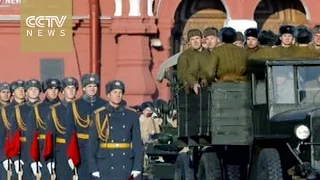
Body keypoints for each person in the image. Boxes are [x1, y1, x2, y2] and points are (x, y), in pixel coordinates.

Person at [88, 80, 143, 179]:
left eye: (120, 92)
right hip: (105, 163)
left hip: (125, 162)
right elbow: (92, 144)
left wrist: (137, 167)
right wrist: (94, 168)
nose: (118, 95)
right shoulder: (98, 115)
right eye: (115, 92)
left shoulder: (132, 115)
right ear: (108, 95)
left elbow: (137, 143)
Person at [65, 73, 107, 180]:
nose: (92, 89)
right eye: (89, 86)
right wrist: (70, 154)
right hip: (82, 148)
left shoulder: (104, 104)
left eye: (94, 86)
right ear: (83, 88)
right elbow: (70, 131)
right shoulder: (74, 104)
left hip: (100, 148)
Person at [27, 78, 61, 179]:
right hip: (43, 152)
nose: (54, 91)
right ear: (45, 91)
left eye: (56, 88)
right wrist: (32, 160)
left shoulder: (65, 107)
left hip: (61, 152)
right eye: (51, 89)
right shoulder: (37, 108)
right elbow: (30, 135)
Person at [9, 79, 42, 180]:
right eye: (30, 89)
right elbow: (12, 135)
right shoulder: (18, 109)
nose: (33, 91)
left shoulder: (47, 108)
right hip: (23, 152)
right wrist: (15, 158)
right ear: (26, 92)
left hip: (42, 150)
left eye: (36, 89)